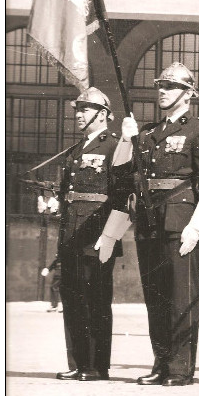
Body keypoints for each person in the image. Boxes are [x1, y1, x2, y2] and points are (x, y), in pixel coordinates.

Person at [115, 62, 199, 387]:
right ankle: (161, 363)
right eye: (160, 86)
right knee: (156, 298)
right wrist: (124, 138)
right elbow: (120, 175)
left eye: (171, 86)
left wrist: (197, 226)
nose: (162, 91)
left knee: (180, 298)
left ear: (189, 94)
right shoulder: (146, 133)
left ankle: (180, 368)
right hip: (149, 222)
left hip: (181, 223)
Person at [53, 87, 124, 381]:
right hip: (72, 233)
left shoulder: (115, 147)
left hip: (96, 234)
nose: (79, 114)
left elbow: (121, 196)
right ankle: (80, 362)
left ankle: (96, 365)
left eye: (85, 109)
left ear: (103, 114)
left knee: (94, 300)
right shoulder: (76, 149)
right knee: (72, 299)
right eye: (77, 109)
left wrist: (110, 236)